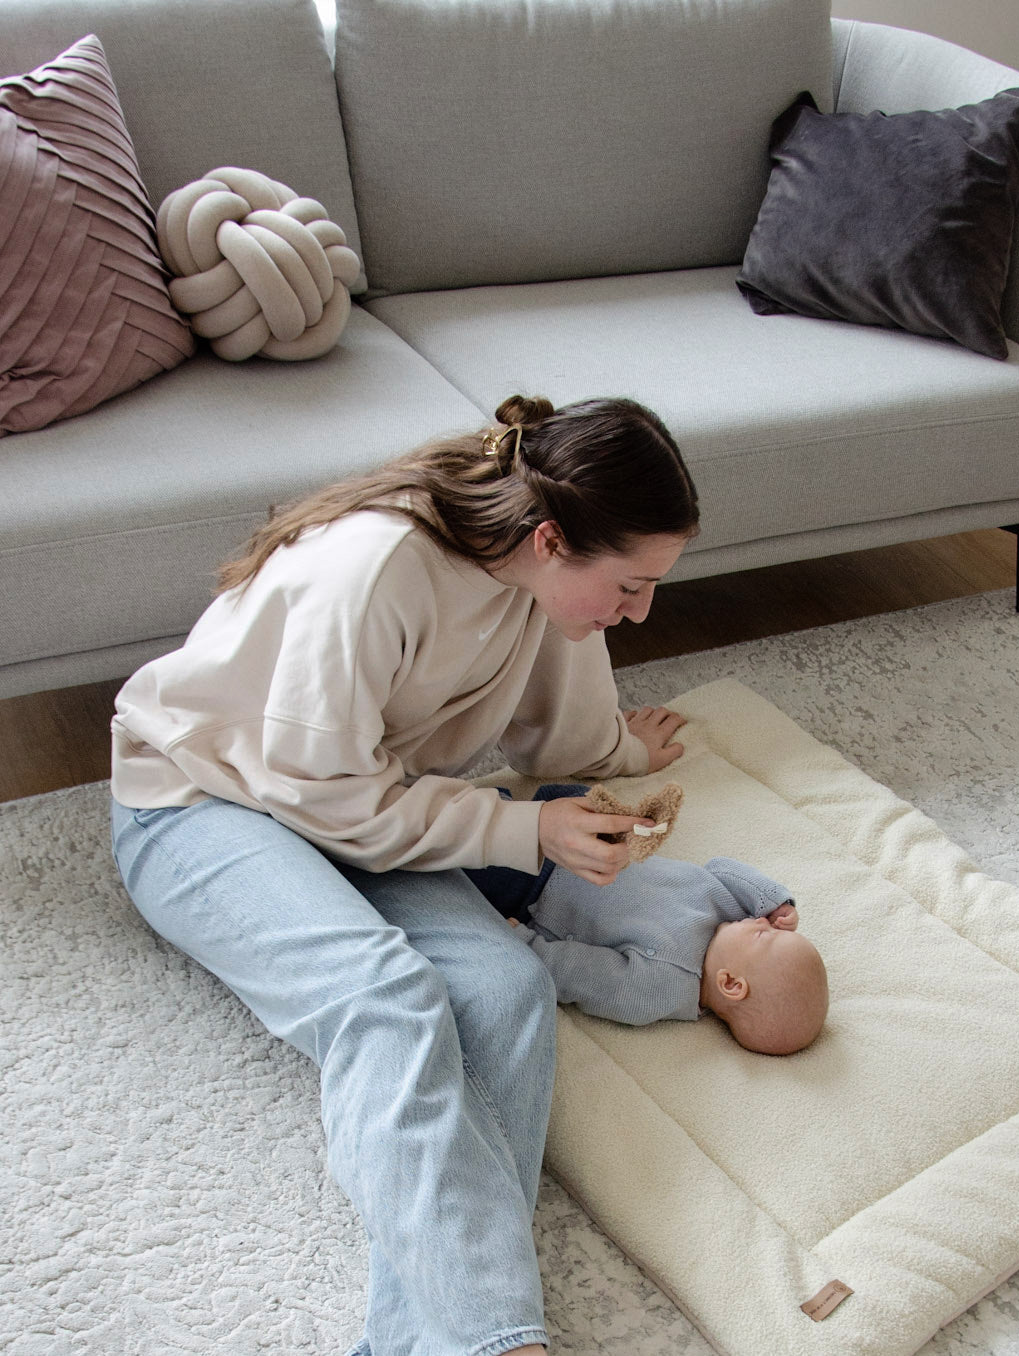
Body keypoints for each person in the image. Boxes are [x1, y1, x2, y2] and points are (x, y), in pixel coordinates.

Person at [108, 393, 700, 1356]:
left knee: (508, 989)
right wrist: (525, 829)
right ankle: (504, 1344)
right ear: (552, 540)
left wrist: (622, 758)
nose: (641, 610)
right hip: (198, 804)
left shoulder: (540, 584)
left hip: (359, 810)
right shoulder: (375, 568)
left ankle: (436, 1339)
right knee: (388, 1000)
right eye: (630, 586)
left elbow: (564, 730)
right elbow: (326, 795)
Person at [467, 787, 828, 1055]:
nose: (762, 923)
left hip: (538, 888)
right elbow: (722, 867)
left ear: (731, 983)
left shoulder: (664, 987)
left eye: (764, 936)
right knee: (567, 801)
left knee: (475, 845)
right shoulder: (730, 913)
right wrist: (775, 900)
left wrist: (528, 945)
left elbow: (587, 975)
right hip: (596, 846)